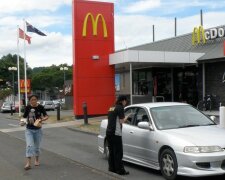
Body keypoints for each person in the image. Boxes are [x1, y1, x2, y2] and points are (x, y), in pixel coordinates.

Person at [21, 95, 48, 170]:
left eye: (35, 99)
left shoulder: (40, 107)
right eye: (32, 100)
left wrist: (42, 119)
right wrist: (22, 122)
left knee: (37, 147)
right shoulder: (28, 107)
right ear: (29, 101)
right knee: (29, 145)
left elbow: (46, 116)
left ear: (37, 100)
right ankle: (28, 163)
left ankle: (36, 160)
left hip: (38, 130)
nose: (34, 101)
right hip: (29, 130)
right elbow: (24, 117)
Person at [106, 95, 129, 175]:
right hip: (116, 133)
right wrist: (128, 117)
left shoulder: (111, 107)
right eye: (126, 101)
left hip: (108, 133)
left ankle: (112, 168)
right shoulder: (120, 108)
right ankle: (120, 170)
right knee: (118, 152)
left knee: (112, 151)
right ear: (123, 101)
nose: (126, 103)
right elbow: (121, 121)